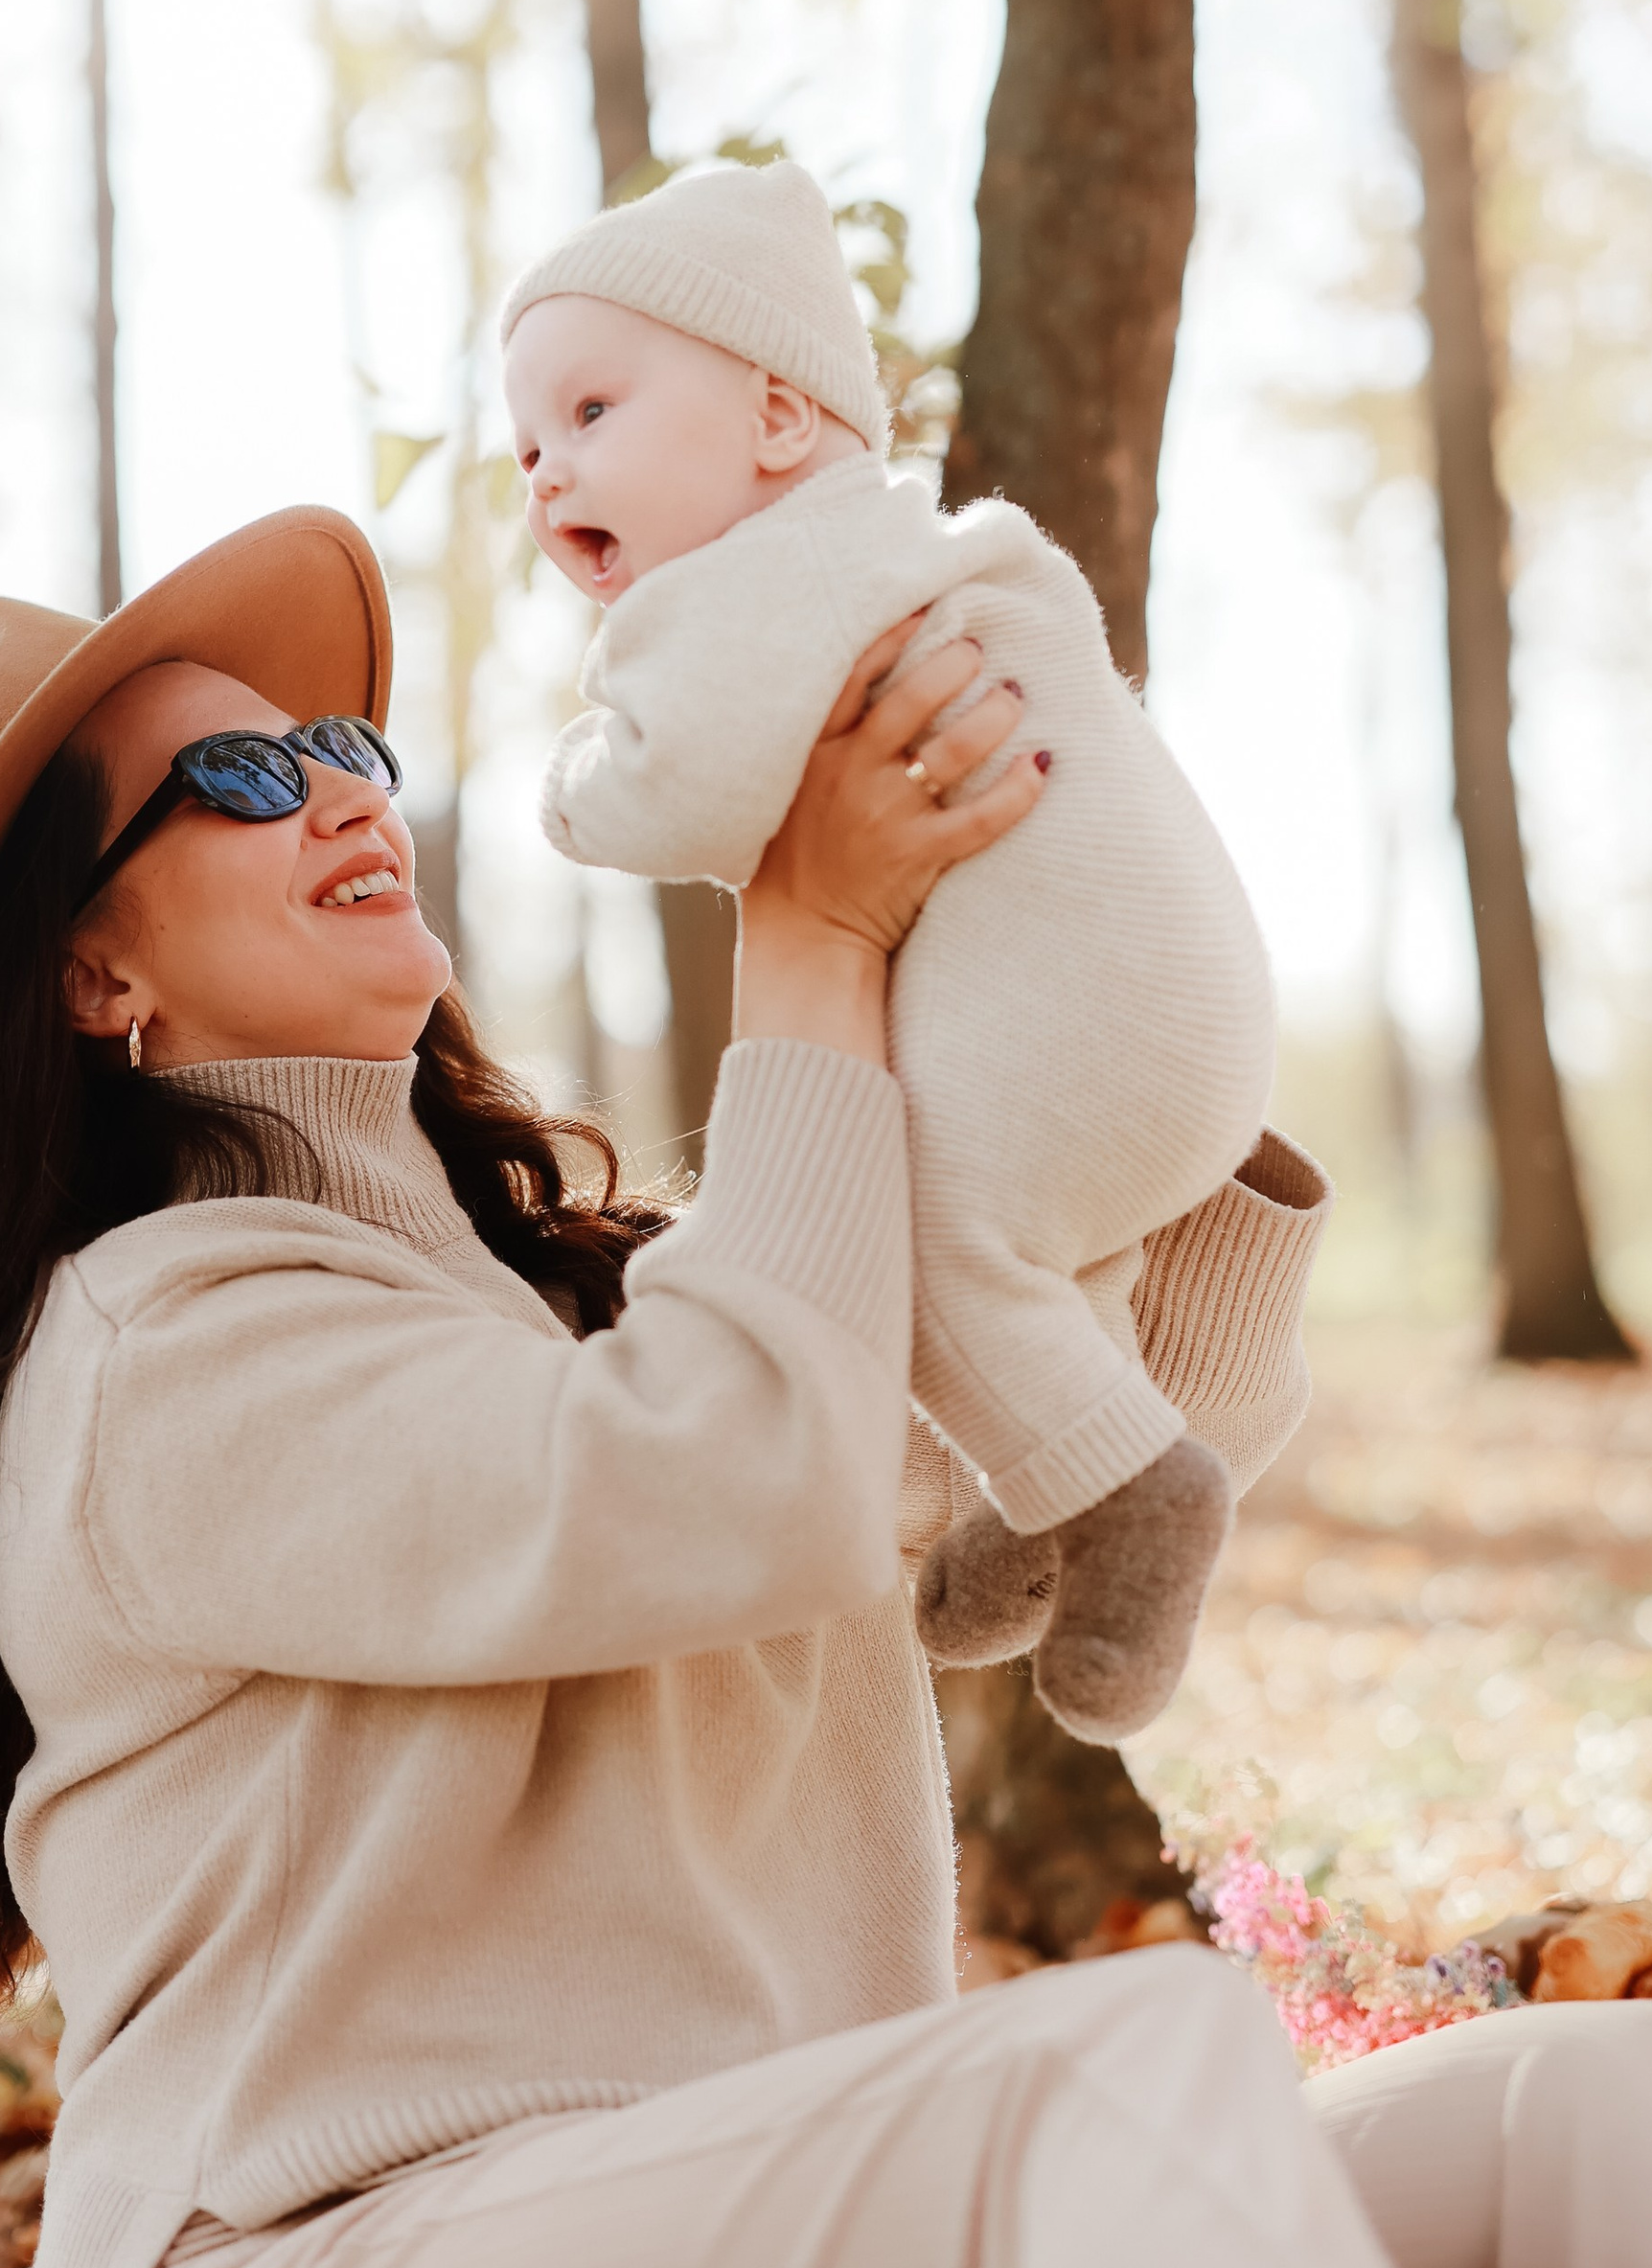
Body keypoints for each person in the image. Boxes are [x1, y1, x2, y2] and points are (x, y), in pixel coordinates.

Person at [0, 500, 1544, 2268]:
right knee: (1114, 2083)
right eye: (241, 779)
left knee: (1556, 2134)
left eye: (340, 748)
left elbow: (1036, 1462)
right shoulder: (151, 1354)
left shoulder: (577, 1318)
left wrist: (1128, 1059)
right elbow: (734, 1477)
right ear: (92, 969)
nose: (341, 790)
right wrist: (808, 935)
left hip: (748, 2226)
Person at [500, 156, 1280, 1741]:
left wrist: (572, 788)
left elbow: (690, 789)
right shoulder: (914, 551)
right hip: (1178, 1020)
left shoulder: (758, 581)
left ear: (781, 420)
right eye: (526, 446)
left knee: (907, 1230)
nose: (546, 469)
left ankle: (1131, 1485)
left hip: (1089, 1021)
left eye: (590, 412)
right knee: (1037, 1255)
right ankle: (1042, 1497)